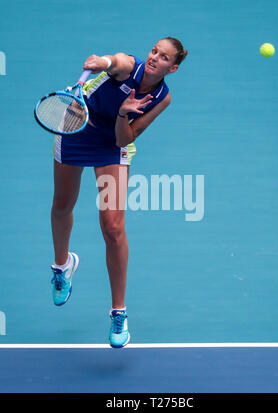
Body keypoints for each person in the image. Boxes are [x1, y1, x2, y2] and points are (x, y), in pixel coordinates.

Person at [50, 37, 188, 348]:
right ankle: (62, 266)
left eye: (163, 57)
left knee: (113, 228)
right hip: (75, 123)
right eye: (154, 51)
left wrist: (124, 113)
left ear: (173, 67)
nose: (154, 58)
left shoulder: (162, 98)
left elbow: (123, 141)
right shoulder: (129, 66)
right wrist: (101, 62)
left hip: (110, 142)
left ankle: (118, 311)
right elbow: (115, 61)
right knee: (62, 204)